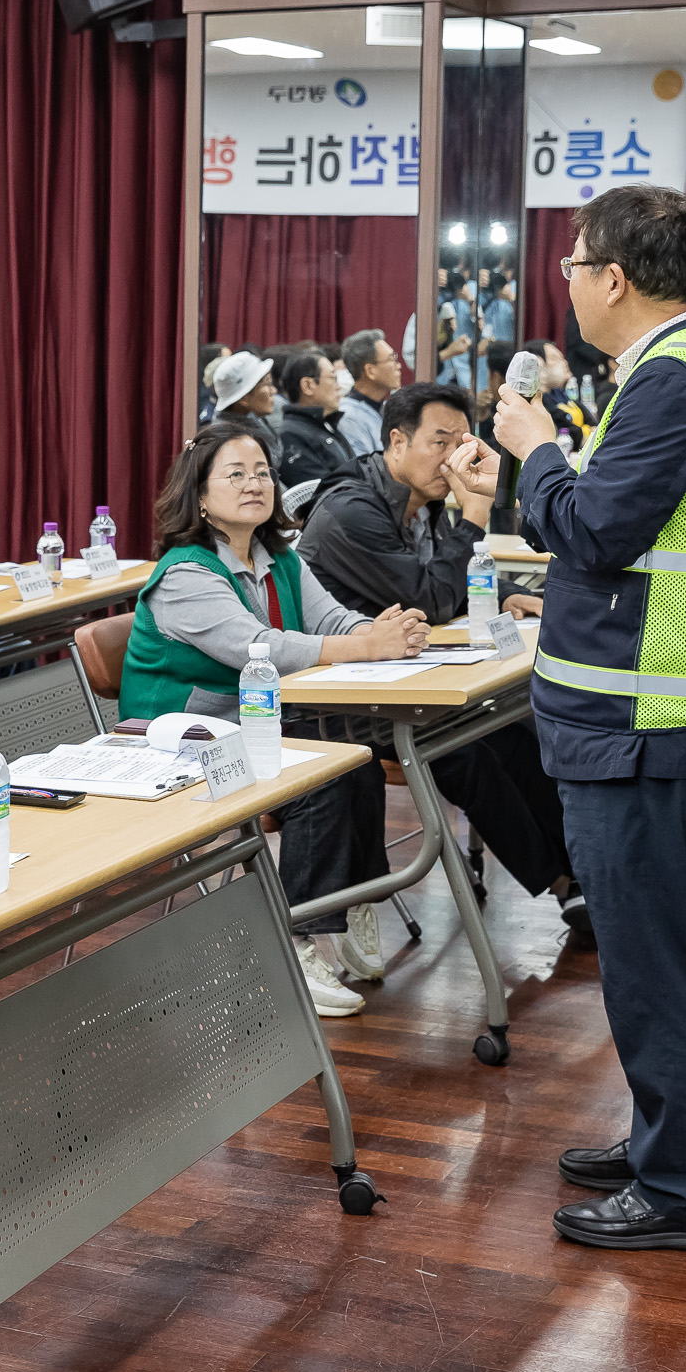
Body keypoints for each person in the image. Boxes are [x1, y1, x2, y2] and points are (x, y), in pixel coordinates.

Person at [452, 183, 686, 1253]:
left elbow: (588, 528)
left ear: (613, 278)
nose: (569, 285)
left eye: (573, 265)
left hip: (650, 716)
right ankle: (659, 1140)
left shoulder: (675, 378)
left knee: (649, 957)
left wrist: (535, 448)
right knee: (656, 943)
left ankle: (681, 1186)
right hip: (655, 706)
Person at [119, 422, 426, 1018]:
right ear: (200, 497)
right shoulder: (184, 574)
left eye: (262, 472)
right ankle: (298, 939)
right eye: (235, 474)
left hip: (256, 727)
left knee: (353, 760)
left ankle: (351, 897)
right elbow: (261, 649)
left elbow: (331, 621)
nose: (255, 484)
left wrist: (382, 634)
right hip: (179, 740)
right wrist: (367, 648)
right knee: (315, 777)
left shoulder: (276, 554)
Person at [295, 381, 585, 953]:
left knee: (512, 732)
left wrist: (501, 591)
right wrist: (474, 513)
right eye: (440, 441)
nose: (454, 456)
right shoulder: (351, 509)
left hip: (399, 681)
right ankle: (559, 881)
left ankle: (580, 877)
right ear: (396, 442)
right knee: (466, 753)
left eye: (462, 440)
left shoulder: (415, 502)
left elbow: (440, 581)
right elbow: (429, 594)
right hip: (332, 700)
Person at [273, 351, 353, 489]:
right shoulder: (290, 436)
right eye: (333, 378)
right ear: (308, 386)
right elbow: (321, 494)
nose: (339, 387)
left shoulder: (324, 425)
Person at [335, 328, 401, 456]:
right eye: (391, 359)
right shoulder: (348, 417)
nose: (398, 366)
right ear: (370, 371)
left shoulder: (386, 408)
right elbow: (367, 470)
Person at [206, 350, 281, 464]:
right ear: (244, 399)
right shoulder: (230, 443)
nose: (274, 391)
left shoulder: (251, 418)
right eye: (267, 384)